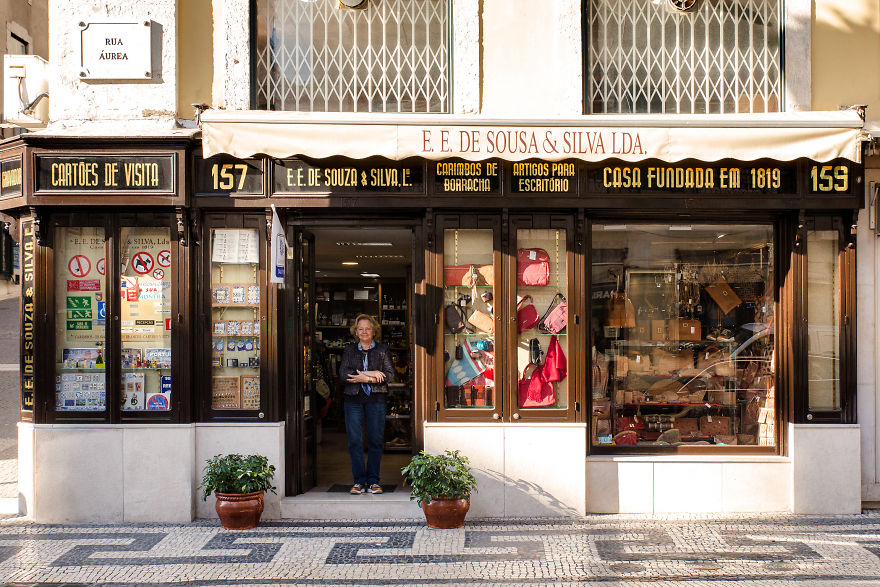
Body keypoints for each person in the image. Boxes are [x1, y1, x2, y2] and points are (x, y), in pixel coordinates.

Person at [338, 314, 395, 495]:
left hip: (376, 400)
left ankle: (373, 482)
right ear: (356, 331)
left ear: (374, 330)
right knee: (355, 441)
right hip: (353, 401)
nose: (364, 332)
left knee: (376, 441)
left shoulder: (382, 350)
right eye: (360, 329)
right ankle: (358, 482)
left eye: (367, 328)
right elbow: (343, 374)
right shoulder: (349, 350)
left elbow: (389, 375)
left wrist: (366, 377)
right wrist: (372, 375)